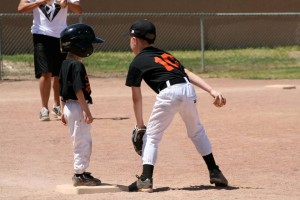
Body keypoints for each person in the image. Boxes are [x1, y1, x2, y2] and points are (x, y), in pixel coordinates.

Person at [125, 19, 228, 192]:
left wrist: (140, 124)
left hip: (168, 93)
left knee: (151, 136)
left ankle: (146, 179)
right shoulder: (165, 55)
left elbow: (137, 97)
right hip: (187, 90)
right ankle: (215, 171)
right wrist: (211, 90)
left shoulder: (136, 62)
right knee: (196, 131)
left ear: (134, 40)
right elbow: (187, 73)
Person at [17, 0, 82, 121]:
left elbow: (79, 9)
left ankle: (56, 106)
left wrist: (66, 2)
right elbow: (21, 8)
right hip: (41, 35)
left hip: (61, 36)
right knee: (45, 72)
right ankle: (44, 108)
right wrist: (41, 2)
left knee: (58, 75)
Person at [59, 23, 104, 186]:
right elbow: (78, 90)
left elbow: (61, 90)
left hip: (70, 107)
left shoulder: (65, 63)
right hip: (78, 107)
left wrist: (62, 110)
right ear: (81, 45)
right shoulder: (77, 65)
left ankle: (81, 171)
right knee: (83, 141)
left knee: (79, 139)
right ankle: (79, 174)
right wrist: (87, 111)